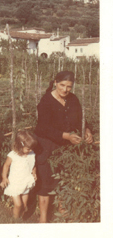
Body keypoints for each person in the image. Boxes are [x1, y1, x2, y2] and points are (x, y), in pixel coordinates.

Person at [34, 71, 93, 223]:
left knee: (64, 179)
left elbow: (81, 119)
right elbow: (43, 128)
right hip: (47, 146)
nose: (65, 90)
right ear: (55, 82)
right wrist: (66, 136)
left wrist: (86, 130)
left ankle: (63, 212)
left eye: (69, 87)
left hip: (66, 148)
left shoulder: (73, 99)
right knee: (46, 181)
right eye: (62, 85)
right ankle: (43, 219)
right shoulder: (46, 101)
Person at [0, 131, 38, 219]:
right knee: (18, 204)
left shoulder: (31, 154)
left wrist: (34, 173)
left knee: (24, 205)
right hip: (15, 182)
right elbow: (6, 165)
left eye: (31, 148)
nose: (31, 150)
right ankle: (15, 220)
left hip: (25, 181)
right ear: (20, 146)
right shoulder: (13, 155)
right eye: (28, 148)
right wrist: (4, 178)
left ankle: (21, 218)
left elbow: (33, 165)